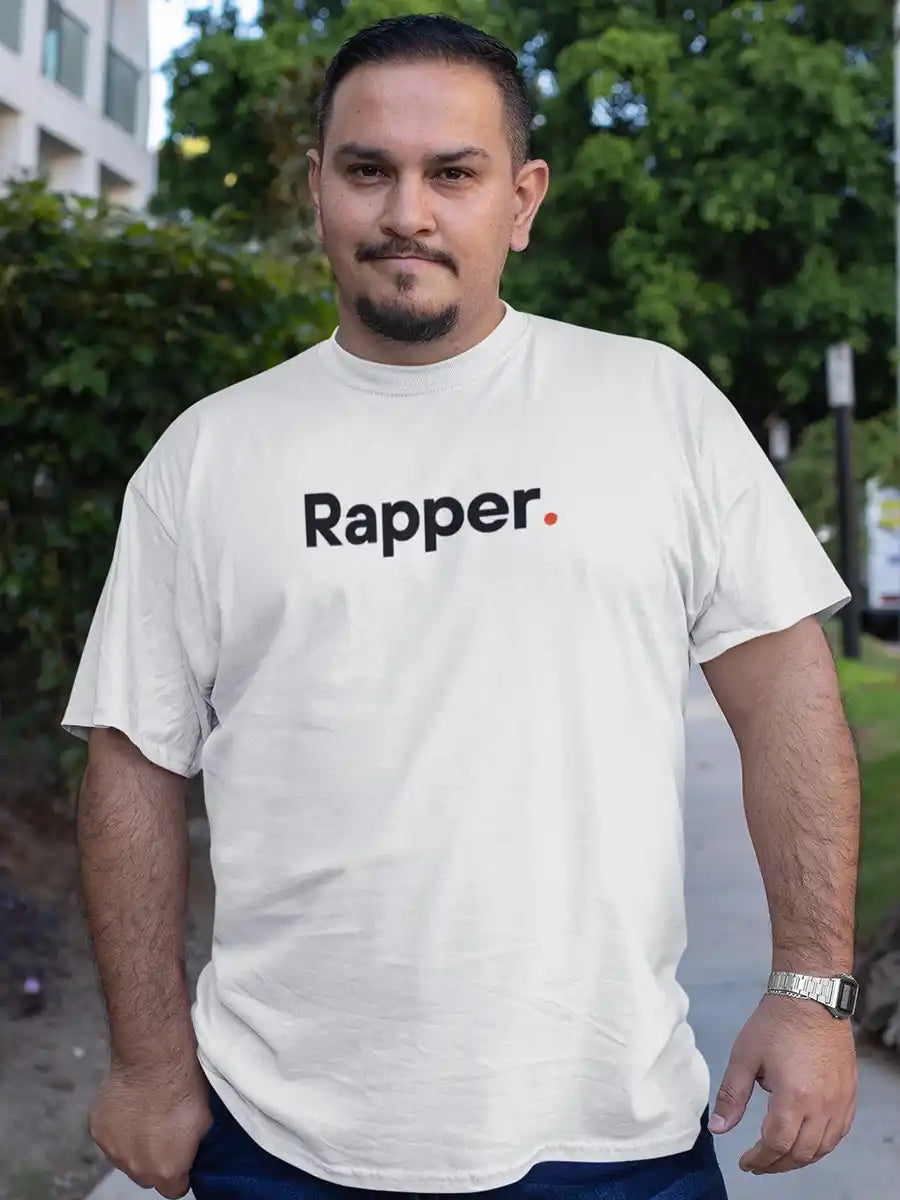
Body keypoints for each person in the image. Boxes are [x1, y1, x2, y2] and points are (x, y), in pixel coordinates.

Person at [62, 13, 860, 1200]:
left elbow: (788, 702)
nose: (406, 214)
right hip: (280, 1138)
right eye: (367, 169)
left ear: (523, 200)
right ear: (318, 187)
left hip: (610, 1131)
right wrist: (146, 1060)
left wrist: (810, 988)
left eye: (454, 172)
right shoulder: (209, 457)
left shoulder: (654, 405)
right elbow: (134, 763)